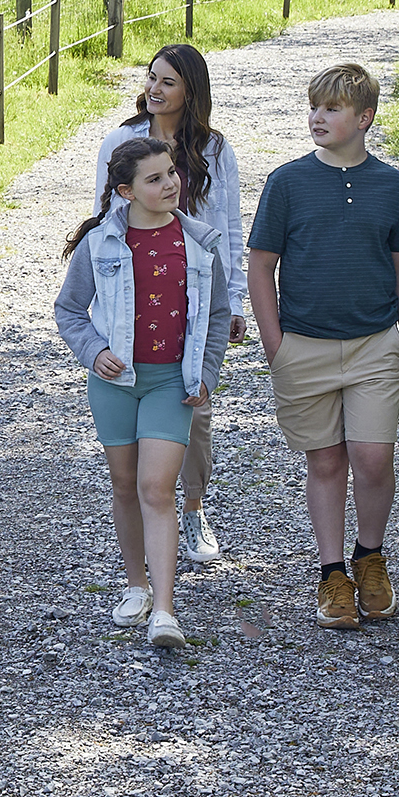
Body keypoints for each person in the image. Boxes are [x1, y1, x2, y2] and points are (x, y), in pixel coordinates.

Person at [245, 61, 399, 631]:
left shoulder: (393, 187)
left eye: (331, 109)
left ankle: (370, 558)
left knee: (373, 458)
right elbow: (260, 267)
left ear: (365, 118)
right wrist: (276, 344)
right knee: (325, 461)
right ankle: (331, 575)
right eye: (314, 107)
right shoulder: (288, 182)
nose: (317, 117)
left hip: (377, 343)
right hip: (304, 346)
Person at [54, 135, 229, 651]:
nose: (170, 183)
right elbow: (69, 309)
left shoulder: (199, 242)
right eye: (154, 179)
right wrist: (91, 351)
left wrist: (206, 374)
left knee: (157, 487)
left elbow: (217, 316)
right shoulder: (101, 244)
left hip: (171, 383)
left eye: (171, 172)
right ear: (126, 191)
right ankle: (136, 584)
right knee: (125, 484)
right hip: (114, 384)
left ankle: (166, 610)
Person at [91, 43, 248, 562]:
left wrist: (236, 302)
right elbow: (103, 218)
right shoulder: (121, 140)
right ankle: (146, 511)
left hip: (194, 296)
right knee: (132, 422)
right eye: (151, 78)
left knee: (195, 412)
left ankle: (194, 508)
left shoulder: (215, 150)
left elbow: (226, 228)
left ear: (190, 92)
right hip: (135, 293)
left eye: (168, 82)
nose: (155, 90)